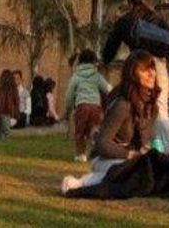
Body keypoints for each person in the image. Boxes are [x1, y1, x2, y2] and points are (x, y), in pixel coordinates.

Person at [61, 49, 159, 195]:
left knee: (150, 171)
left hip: (84, 107)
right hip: (107, 158)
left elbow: (144, 142)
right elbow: (102, 144)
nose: (151, 73)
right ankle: (80, 183)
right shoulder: (123, 105)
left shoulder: (152, 108)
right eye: (144, 70)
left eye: (152, 68)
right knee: (128, 172)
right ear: (132, 74)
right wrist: (130, 154)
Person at [101, 0, 169, 127]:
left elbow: (110, 47)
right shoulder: (158, 20)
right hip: (158, 67)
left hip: (137, 66)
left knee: (126, 100)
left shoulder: (125, 21)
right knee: (161, 112)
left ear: (130, 3)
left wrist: (105, 60)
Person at [65, 49, 111, 162]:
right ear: (94, 61)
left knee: (80, 132)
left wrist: (68, 108)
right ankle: (96, 148)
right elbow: (108, 89)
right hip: (96, 107)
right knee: (95, 129)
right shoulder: (96, 76)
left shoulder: (76, 76)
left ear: (80, 61)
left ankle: (81, 155)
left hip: (81, 106)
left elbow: (69, 95)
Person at [0, 69, 20, 139]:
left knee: (1, 118)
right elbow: (16, 106)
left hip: (0, 117)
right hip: (10, 118)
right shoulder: (14, 91)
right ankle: (3, 132)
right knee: (3, 117)